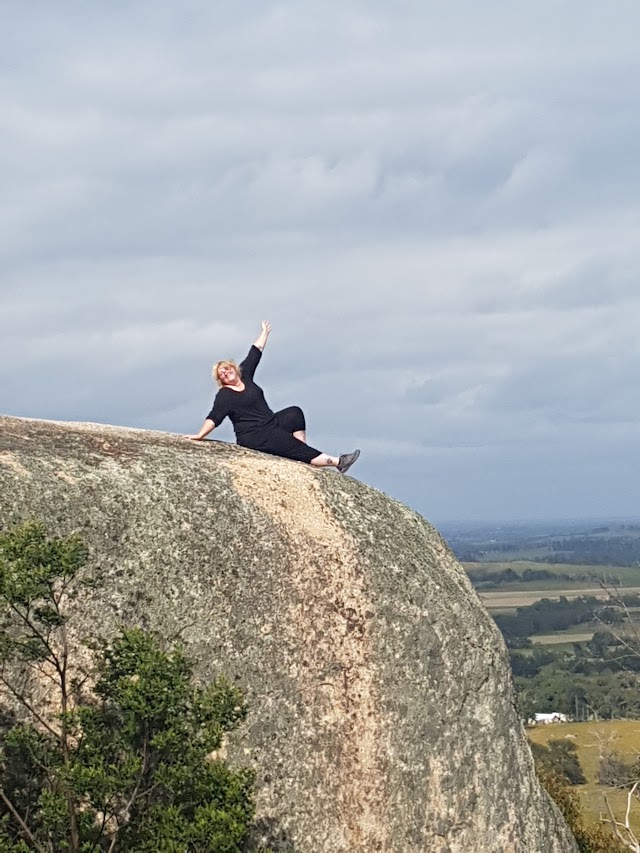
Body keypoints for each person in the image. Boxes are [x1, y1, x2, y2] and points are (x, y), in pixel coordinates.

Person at [185, 321, 361, 473]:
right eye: (220, 374)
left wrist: (264, 333)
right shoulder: (225, 395)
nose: (224, 373)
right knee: (287, 443)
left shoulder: (244, 375)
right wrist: (199, 435)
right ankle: (339, 463)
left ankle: (301, 455)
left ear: (233, 367)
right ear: (220, 381)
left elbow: (255, 351)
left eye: (225, 368)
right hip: (255, 436)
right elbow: (214, 417)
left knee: (294, 413)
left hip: (271, 423)